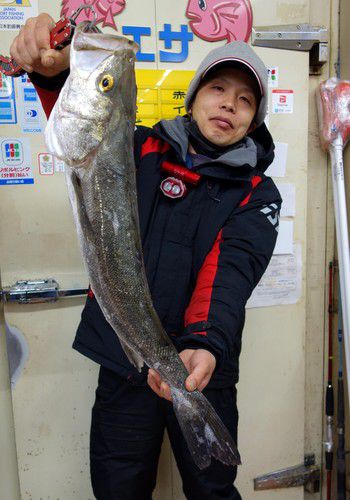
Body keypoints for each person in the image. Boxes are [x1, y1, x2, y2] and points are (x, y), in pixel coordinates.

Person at [10, 13, 282, 500]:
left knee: (212, 488)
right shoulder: (142, 149)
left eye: (245, 100)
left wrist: (203, 343)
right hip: (125, 360)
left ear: (254, 118)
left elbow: (230, 274)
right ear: (194, 95)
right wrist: (51, 73)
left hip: (204, 365)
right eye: (218, 88)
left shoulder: (258, 192)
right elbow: (85, 129)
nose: (229, 105)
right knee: (118, 487)